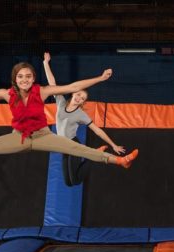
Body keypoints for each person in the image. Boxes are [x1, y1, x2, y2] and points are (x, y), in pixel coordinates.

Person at [0, 62, 138, 175]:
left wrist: (100, 78)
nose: (25, 79)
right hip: (19, 138)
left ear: (33, 78)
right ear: (15, 78)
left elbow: (72, 87)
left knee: (79, 149)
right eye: (21, 76)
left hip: (43, 136)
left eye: (29, 76)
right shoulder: (7, 94)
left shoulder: (41, 91)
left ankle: (119, 160)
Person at [43, 52, 126, 186]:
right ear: (73, 92)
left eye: (82, 98)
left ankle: (94, 155)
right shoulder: (61, 102)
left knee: (75, 180)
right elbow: (52, 83)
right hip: (63, 147)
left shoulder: (80, 114)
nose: (79, 98)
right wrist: (45, 63)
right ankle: (94, 154)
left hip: (73, 144)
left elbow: (97, 130)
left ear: (82, 103)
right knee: (69, 183)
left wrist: (113, 145)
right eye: (79, 94)